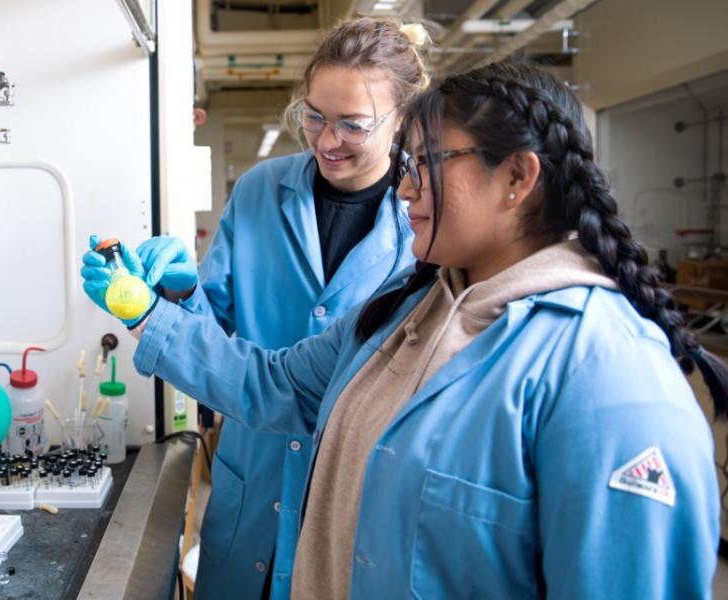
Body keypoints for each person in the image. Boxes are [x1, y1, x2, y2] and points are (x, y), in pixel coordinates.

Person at [84, 60, 725, 598]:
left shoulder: (607, 373)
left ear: (517, 178)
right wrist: (150, 313)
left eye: (424, 164)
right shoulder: (404, 313)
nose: (404, 189)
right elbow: (271, 383)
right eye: (406, 165)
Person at [81, 17, 428, 600]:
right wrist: (178, 294)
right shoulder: (260, 191)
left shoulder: (422, 226)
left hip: (350, 504)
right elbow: (213, 338)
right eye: (314, 116)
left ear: (403, 121)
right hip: (252, 488)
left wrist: (150, 317)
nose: (325, 140)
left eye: (353, 125)